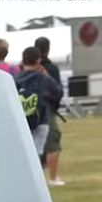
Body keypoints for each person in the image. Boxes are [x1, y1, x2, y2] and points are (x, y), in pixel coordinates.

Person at [15, 46, 62, 165]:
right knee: (36, 156)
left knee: (22, 155)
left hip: (20, 122)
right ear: (38, 61)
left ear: (23, 61)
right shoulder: (43, 79)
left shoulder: (15, 80)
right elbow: (57, 93)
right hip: (40, 120)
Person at [35, 36, 66, 186]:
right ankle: (53, 178)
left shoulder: (25, 68)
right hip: (47, 108)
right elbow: (57, 91)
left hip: (31, 109)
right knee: (53, 143)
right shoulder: (51, 68)